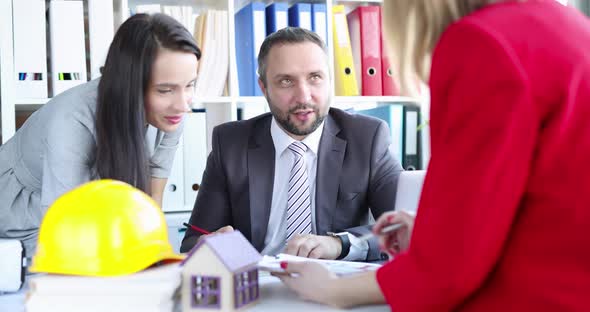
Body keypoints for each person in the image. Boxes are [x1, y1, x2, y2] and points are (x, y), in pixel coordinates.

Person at [277, 0, 590, 310]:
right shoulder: (568, 24)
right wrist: (434, 232)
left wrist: (332, 290)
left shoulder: (483, 43)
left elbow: (448, 271)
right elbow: (549, 212)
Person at [180, 27, 403, 261]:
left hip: (335, 285)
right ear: (264, 88)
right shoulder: (231, 144)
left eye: (315, 78)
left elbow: (404, 228)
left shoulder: (367, 138)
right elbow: (194, 242)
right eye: (286, 81)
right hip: (260, 286)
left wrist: (340, 244)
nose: (304, 96)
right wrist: (211, 245)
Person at [0, 13, 201, 256]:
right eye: (165, 90)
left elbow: (151, 197)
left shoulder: (171, 111)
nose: (183, 104)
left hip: (82, 213)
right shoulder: (72, 121)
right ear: (131, 84)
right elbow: (67, 228)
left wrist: (155, 256)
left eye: (189, 84)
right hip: (22, 219)